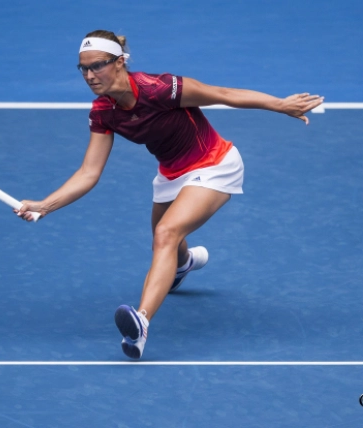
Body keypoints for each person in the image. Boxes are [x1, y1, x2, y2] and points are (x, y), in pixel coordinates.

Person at [16, 30, 323, 359]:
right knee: (166, 243)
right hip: (171, 174)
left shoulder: (160, 88)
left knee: (166, 232)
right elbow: (89, 172)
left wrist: (280, 105)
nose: (90, 76)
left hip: (216, 164)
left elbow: (221, 93)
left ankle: (141, 324)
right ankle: (184, 264)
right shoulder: (103, 111)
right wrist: (46, 204)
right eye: (83, 69)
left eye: (98, 66)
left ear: (120, 62)